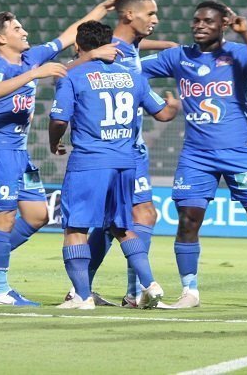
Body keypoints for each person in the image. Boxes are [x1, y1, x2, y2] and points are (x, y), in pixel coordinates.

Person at [141, 0, 247, 311]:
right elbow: (133, 70)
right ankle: (189, 292)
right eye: (196, 20)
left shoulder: (237, 53)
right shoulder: (178, 57)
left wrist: (246, 34)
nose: (200, 25)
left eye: (208, 21)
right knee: (188, 220)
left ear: (223, 25)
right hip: (196, 155)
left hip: (239, 152)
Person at [0, 0, 121, 307]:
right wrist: (33, 75)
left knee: (37, 215)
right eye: (17, 28)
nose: (25, 32)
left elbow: (68, 36)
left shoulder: (30, 57)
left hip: (19, 155)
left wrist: (102, 8)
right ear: (1, 38)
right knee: (3, 217)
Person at [50, 20, 179, 310]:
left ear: (77, 46)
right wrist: (173, 107)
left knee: (75, 228)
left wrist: (53, 142)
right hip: (126, 162)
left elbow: (59, 119)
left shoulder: (74, 75)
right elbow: (161, 113)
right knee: (121, 225)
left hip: (90, 161)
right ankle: (150, 284)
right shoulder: (132, 76)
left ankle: (82, 296)